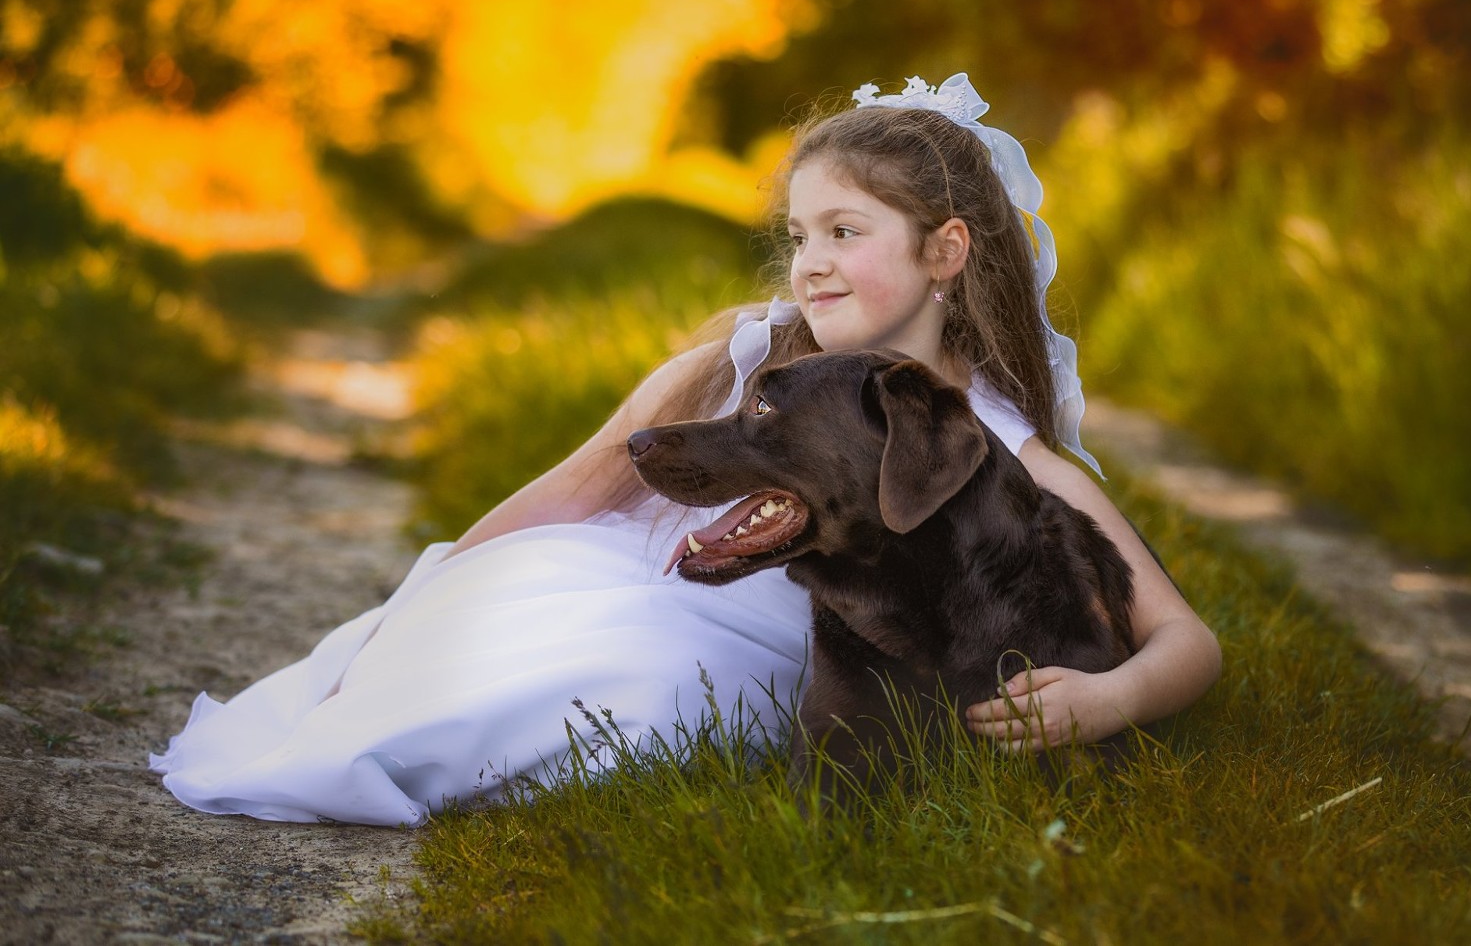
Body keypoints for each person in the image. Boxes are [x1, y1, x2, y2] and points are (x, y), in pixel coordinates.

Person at [151, 73, 1221, 826]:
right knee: (551, 662)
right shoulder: (734, 364)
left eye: (845, 233)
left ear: (945, 251)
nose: (809, 262)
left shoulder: (1004, 450)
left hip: (777, 682)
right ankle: (389, 711)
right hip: (640, 593)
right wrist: (404, 615)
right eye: (800, 234)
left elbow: (1184, 638)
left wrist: (1111, 698)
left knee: (653, 702)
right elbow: (557, 499)